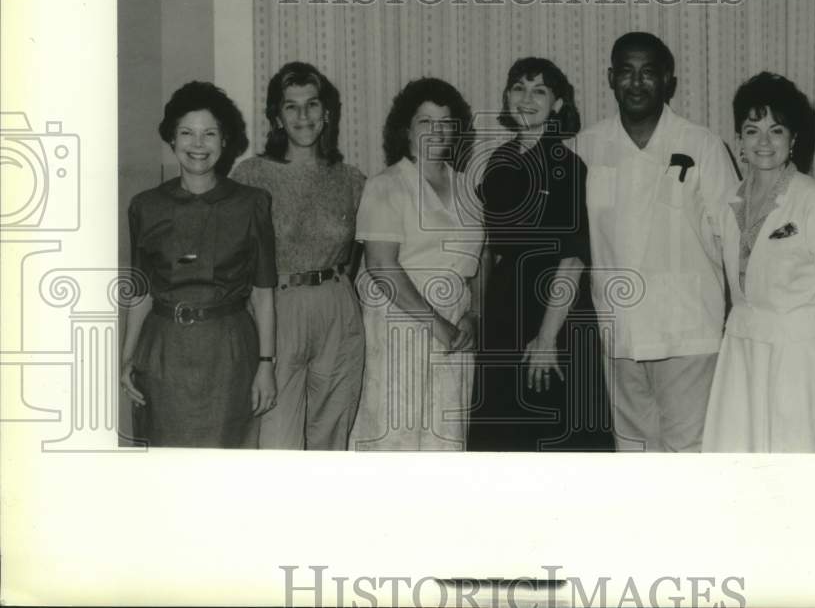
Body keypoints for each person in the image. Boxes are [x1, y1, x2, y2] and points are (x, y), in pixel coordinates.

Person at [573, 32, 740, 452]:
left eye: (648, 73)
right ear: (610, 78)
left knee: (690, 455)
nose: (636, 82)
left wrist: (742, 321)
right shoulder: (586, 148)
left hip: (689, 333)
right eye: (626, 72)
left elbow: (735, 237)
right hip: (620, 334)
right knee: (634, 457)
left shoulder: (701, 145)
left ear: (668, 80)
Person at [703, 72, 815, 452]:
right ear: (739, 140)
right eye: (751, 130)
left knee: (797, 464)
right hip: (742, 347)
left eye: (776, 130)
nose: (763, 142)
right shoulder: (728, 203)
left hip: (800, 353)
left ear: (793, 139)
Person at [467, 58, 614, 452]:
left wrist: (547, 339)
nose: (526, 98)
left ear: (559, 105)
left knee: (552, 438)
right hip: (505, 313)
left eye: (539, 91)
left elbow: (573, 259)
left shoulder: (569, 166)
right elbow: (490, 250)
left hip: (554, 314)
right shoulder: (498, 163)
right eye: (519, 87)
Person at [120, 81, 277, 448]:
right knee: (165, 467)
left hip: (229, 353)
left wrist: (266, 364)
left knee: (227, 469)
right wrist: (126, 359)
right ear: (172, 140)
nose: (198, 144)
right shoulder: (145, 206)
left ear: (225, 141)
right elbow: (140, 293)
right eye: (186, 133)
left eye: (209, 134)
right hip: (163, 354)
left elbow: (263, 293)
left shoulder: (252, 204)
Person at [232, 62, 366, 450]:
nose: (303, 116)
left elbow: (361, 253)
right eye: (291, 106)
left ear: (327, 114)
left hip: (337, 307)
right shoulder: (252, 175)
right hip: (276, 307)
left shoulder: (351, 180)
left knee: (330, 436)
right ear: (277, 117)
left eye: (312, 105)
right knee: (276, 438)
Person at [349, 77, 485, 451]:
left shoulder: (467, 189)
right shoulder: (387, 185)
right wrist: (436, 324)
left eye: (445, 122)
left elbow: (475, 265)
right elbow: (381, 266)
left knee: (444, 441)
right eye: (426, 122)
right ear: (405, 130)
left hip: (455, 330)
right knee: (398, 437)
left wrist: (472, 316)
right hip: (400, 324)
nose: (437, 131)